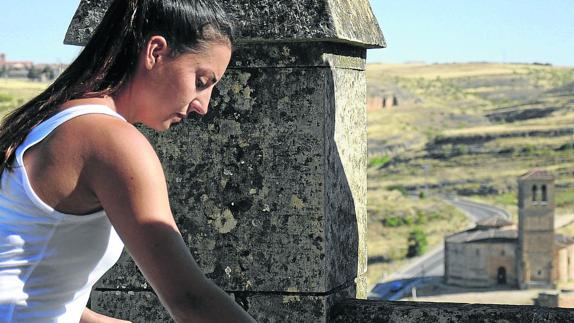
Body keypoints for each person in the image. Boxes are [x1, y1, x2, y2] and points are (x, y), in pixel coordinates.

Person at [0, 0, 256, 322]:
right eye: (201, 81)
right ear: (155, 53)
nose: (202, 105)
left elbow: (37, 287)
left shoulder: (55, 116)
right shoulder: (111, 140)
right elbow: (190, 299)